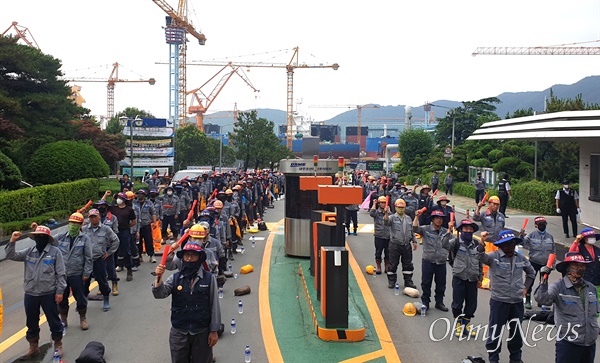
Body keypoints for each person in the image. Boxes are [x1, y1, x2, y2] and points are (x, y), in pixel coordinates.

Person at [153, 242, 221, 363]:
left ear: (199, 258)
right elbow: (159, 294)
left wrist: (214, 331)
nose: (189, 259)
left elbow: (214, 305)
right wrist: (158, 277)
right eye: (186, 255)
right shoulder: (175, 278)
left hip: (201, 332)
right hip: (179, 332)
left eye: (193, 255)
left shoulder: (209, 278)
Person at [5, 227, 67, 359]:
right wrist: (12, 241)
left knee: (54, 320)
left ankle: (58, 344)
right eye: (37, 236)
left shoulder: (55, 252)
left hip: (48, 293)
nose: (39, 239)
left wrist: (60, 291)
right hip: (31, 293)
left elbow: (61, 274)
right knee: (31, 321)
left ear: (47, 239)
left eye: (42, 237)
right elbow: (11, 255)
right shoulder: (29, 252)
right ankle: (33, 347)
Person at [477, 230, 535, 363]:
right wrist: (482, 240)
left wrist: (525, 287)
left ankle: (515, 359)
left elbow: (531, 273)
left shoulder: (520, 258)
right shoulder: (493, 257)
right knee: (495, 333)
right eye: (507, 245)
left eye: (512, 244)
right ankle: (493, 359)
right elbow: (479, 256)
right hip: (499, 302)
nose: (510, 247)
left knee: (516, 334)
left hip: (516, 303)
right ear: (501, 246)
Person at [534, 252, 599, 363]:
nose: (580, 268)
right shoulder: (558, 287)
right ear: (568, 268)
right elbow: (542, 300)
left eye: (582, 265)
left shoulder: (591, 288)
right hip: (568, 344)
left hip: (589, 344)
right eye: (576, 265)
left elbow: (594, 315)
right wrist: (543, 281)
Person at [442, 219, 482, 337]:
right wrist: (449, 230)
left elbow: (480, 260)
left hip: (473, 279)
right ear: (461, 230)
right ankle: (458, 325)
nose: (468, 231)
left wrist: (480, 277)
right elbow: (444, 244)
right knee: (457, 303)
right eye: (465, 229)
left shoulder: (476, 244)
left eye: (470, 229)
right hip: (459, 277)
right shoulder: (455, 242)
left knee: (471, 304)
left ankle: (467, 325)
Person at [414, 209, 453, 312]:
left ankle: (439, 302)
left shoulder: (445, 231)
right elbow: (414, 228)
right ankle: (425, 302)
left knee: (441, 284)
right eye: (437, 218)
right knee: (426, 282)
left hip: (441, 261)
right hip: (428, 260)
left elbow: (453, 243)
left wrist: (450, 229)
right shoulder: (425, 229)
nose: (439, 220)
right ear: (432, 219)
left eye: (441, 218)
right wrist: (417, 217)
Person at [82, 209, 119, 311]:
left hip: (99, 259)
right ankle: (83, 301)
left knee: (102, 281)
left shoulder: (106, 229)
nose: (93, 219)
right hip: (86, 260)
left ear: (99, 217)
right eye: (91, 217)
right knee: (85, 282)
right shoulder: (84, 229)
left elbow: (115, 240)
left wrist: (109, 253)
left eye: (95, 217)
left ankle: (106, 299)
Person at [521, 216, 556, 309]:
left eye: (544, 224)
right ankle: (528, 300)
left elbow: (553, 251)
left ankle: (541, 301)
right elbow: (522, 243)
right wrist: (521, 236)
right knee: (530, 281)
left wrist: (553, 264)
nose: (542, 226)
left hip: (545, 264)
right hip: (533, 262)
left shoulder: (550, 237)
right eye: (540, 224)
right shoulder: (531, 235)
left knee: (543, 283)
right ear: (536, 225)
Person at [384, 199, 418, 288]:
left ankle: (408, 281)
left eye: (402, 208)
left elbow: (411, 230)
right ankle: (391, 281)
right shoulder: (392, 217)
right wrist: (386, 213)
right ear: (395, 207)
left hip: (406, 245)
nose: (400, 209)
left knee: (408, 264)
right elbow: (386, 222)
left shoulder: (408, 218)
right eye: (399, 207)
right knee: (393, 264)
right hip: (395, 245)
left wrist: (414, 240)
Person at [104, 191, 137, 281]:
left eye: (121, 198)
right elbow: (102, 204)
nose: (119, 200)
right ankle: (112, 272)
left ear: (124, 200)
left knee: (126, 251)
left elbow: (134, 221)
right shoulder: (113, 208)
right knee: (113, 251)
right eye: (118, 198)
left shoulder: (129, 209)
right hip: (114, 232)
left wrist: (127, 227)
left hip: (124, 232)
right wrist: (106, 195)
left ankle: (129, 270)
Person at [569, 228, 600, 296]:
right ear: (584, 238)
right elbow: (571, 254)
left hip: (597, 280)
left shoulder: (597, 249)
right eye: (590, 236)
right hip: (584, 279)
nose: (592, 238)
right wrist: (576, 241)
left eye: (593, 236)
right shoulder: (579, 248)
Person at [133, 189, 158, 263]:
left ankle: (151, 255)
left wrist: (154, 222)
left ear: (144, 195)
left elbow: (153, 213)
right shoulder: (134, 203)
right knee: (138, 241)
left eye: (141, 194)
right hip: (137, 226)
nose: (139, 195)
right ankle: (139, 255)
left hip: (146, 224)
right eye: (138, 194)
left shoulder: (149, 203)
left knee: (149, 241)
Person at [370, 196, 391, 275]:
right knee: (378, 252)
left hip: (388, 235)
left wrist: (387, 212)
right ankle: (378, 266)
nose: (383, 204)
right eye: (381, 203)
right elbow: (371, 213)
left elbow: (391, 218)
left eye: (384, 203)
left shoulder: (389, 212)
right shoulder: (377, 212)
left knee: (388, 252)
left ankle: (387, 266)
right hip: (379, 235)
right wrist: (374, 204)